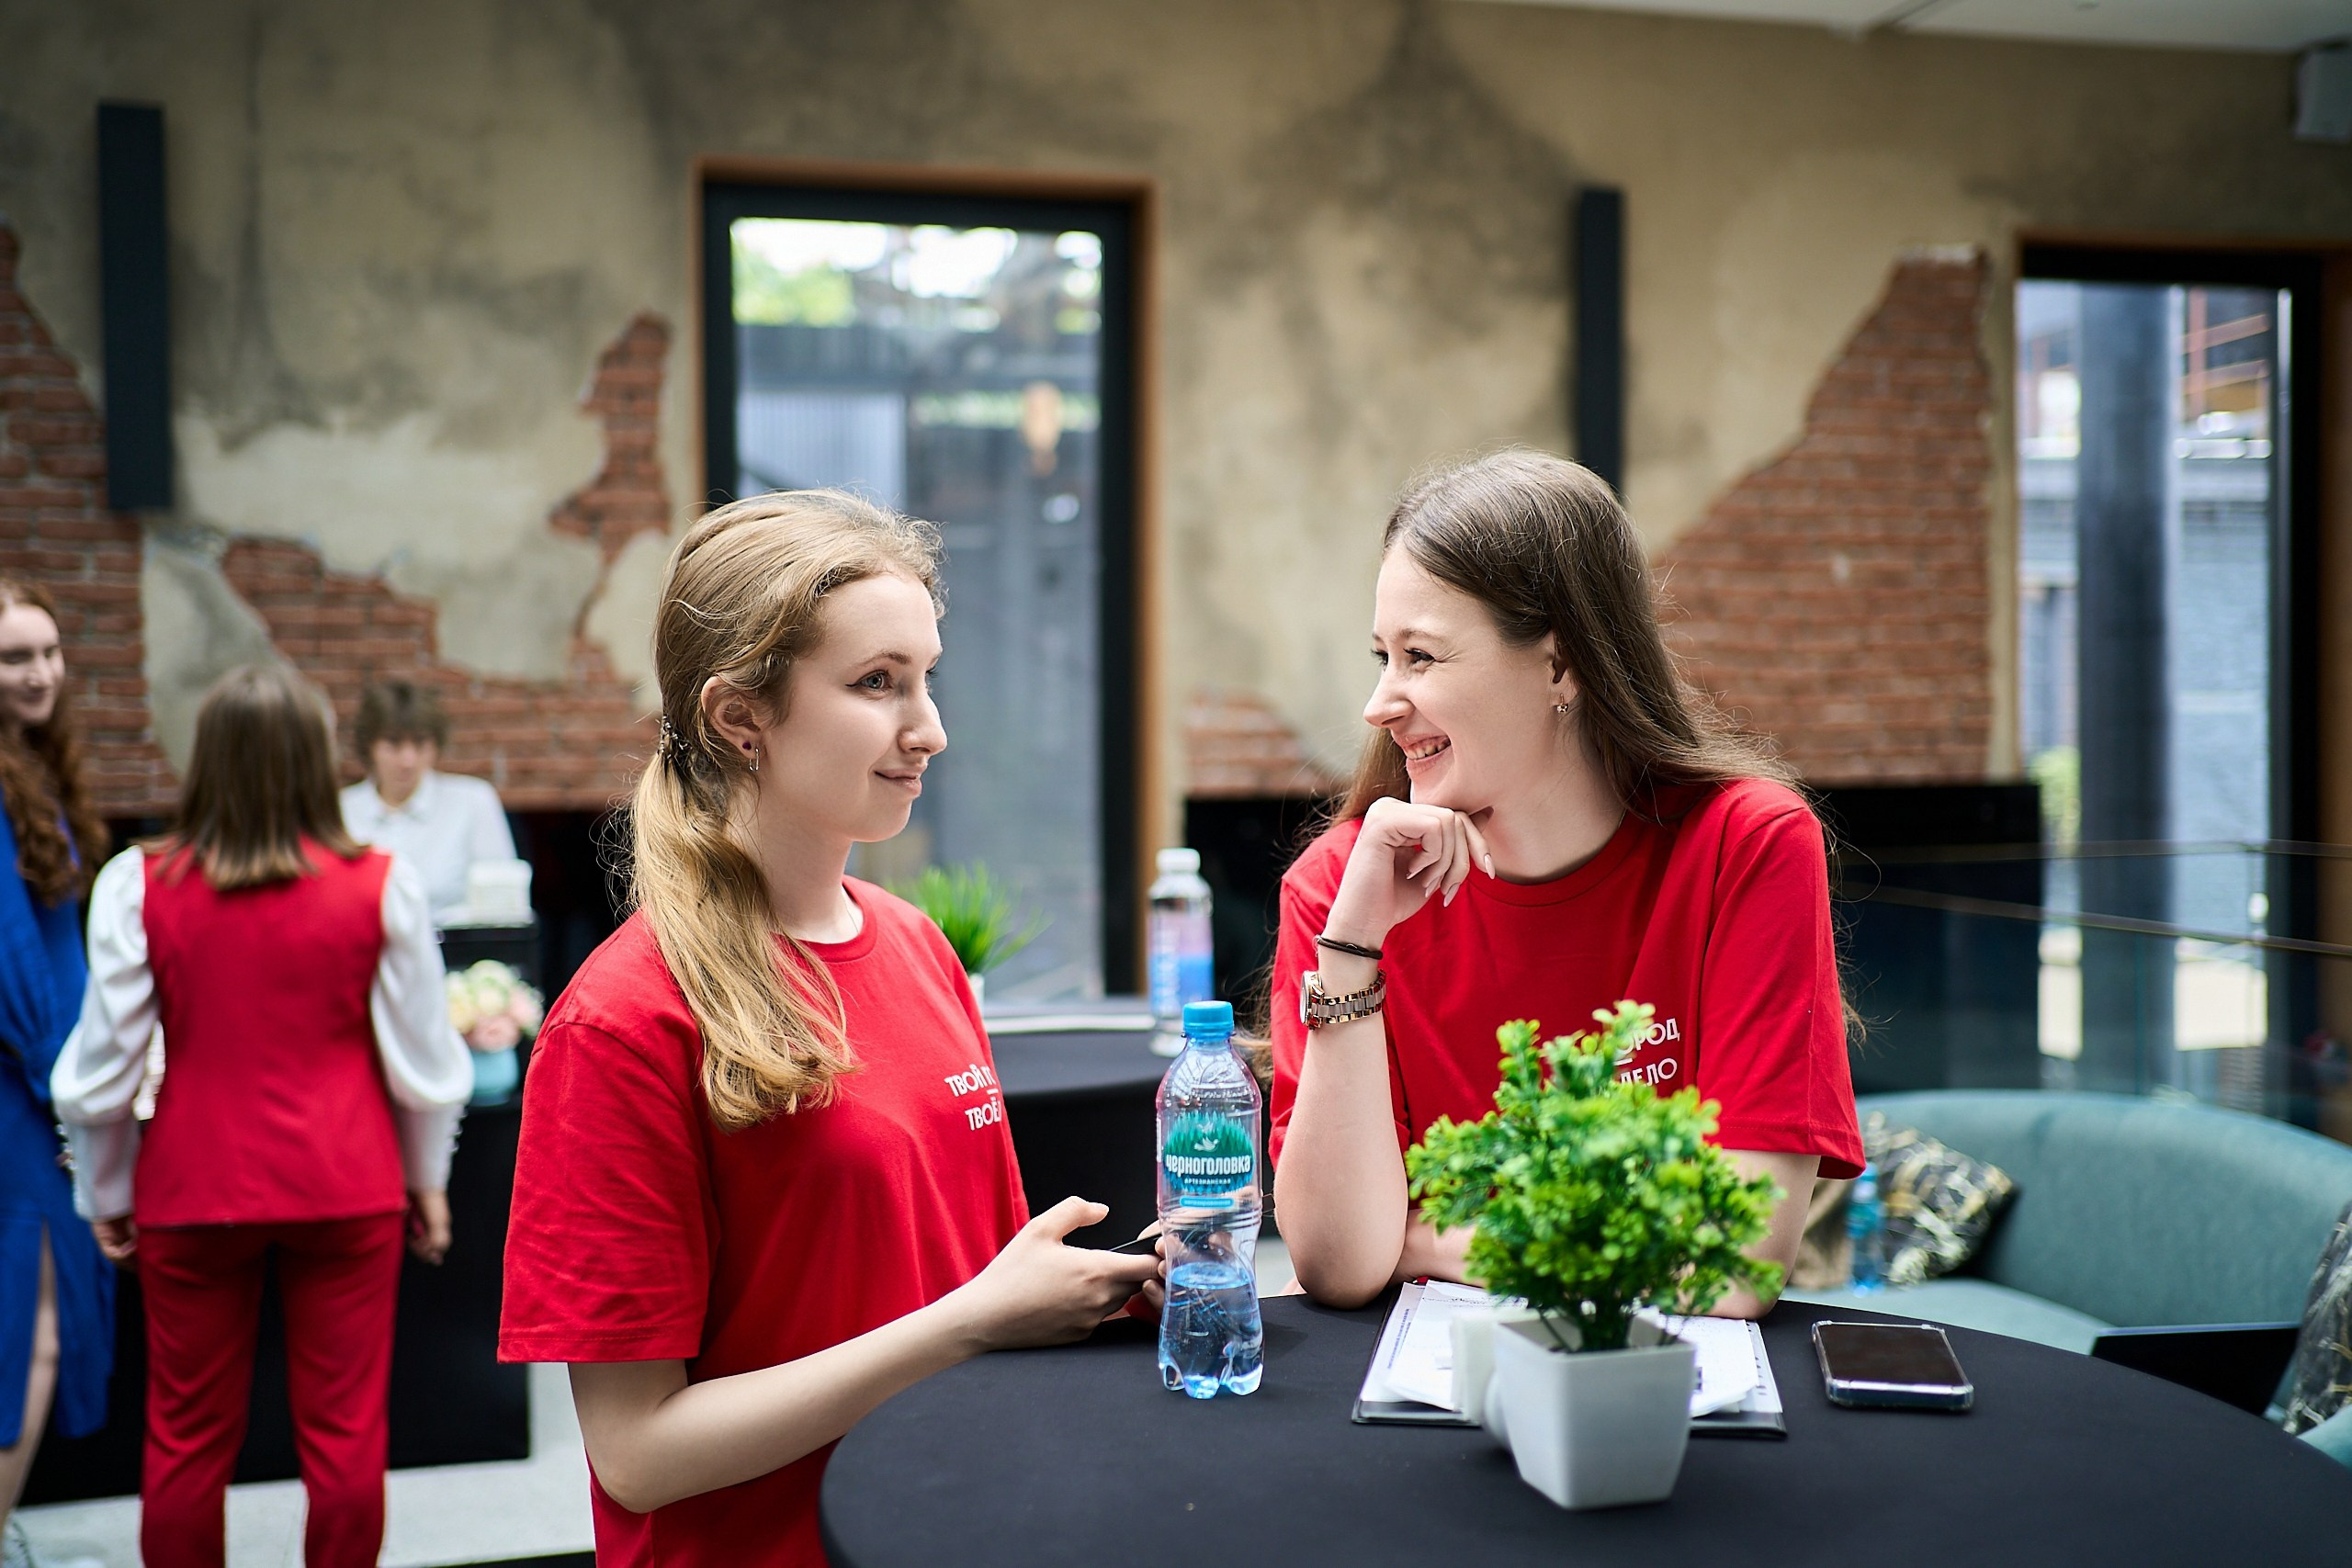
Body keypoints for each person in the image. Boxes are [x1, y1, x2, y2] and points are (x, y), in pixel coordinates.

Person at [499, 491, 1158, 1568]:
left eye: (926, 678)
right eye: (877, 684)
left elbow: (952, 1279)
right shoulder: (621, 1024)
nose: (929, 729)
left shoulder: (918, 948)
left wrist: (1098, 1289)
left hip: (952, 1523)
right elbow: (637, 1455)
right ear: (738, 717)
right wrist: (976, 1320)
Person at [1270, 451, 1865, 1312]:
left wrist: (1423, 1239)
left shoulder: (1748, 846)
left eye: (1422, 657)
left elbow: (1735, 1264)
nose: (1380, 702)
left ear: (1561, 664)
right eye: (1382, 657)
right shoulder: (1341, 888)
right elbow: (1338, 1263)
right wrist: (1352, 952)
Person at [50, 663, 471, 1568]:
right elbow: (426, 1064)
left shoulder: (139, 883)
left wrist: (105, 1192)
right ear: (319, 762)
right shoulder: (381, 883)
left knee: (185, 1440)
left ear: (206, 761)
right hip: (346, 1183)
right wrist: (427, 1183)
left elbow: (101, 1073)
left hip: (190, 1188)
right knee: (347, 1435)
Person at [0, 580, 114, 1562]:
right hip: (26, 1100)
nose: (38, 673)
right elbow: (13, 968)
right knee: (25, 1335)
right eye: (12, 658)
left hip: (43, 1090)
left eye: (45, 653)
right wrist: (71, 1103)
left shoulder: (32, 767)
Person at [339, 679, 517, 919]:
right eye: (393, 743)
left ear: (436, 743)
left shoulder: (474, 801)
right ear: (369, 745)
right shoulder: (341, 808)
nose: (408, 761)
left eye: (420, 743)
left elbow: (503, 907)